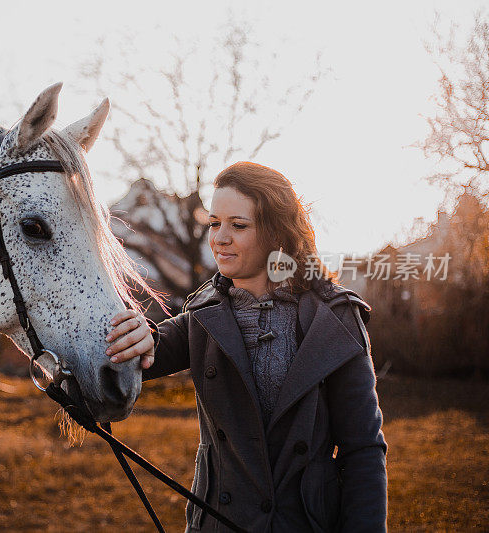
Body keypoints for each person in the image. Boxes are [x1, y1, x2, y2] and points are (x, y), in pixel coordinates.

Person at [106, 162, 387, 532]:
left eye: (238, 226)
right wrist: (136, 335)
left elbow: (363, 449)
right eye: (214, 223)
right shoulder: (202, 316)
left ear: (276, 233)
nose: (220, 238)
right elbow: (149, 348)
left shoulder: (333, 319)